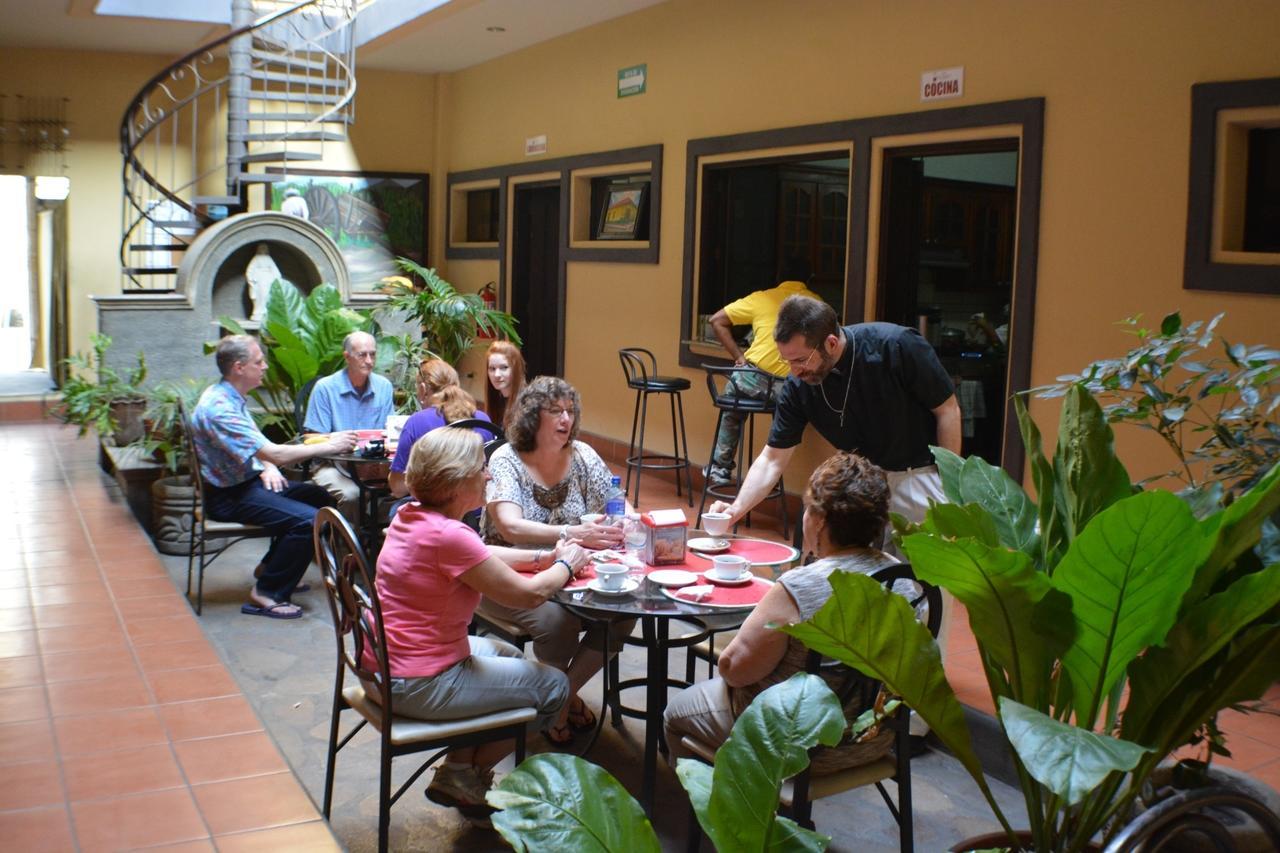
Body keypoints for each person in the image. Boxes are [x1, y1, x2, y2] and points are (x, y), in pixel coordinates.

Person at [375, 427, 588, 821]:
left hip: (390, 664)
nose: (489, 476)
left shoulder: (414, 514)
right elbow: (529, 596)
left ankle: (458, 767)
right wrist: (566, 565)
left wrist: (543, 556)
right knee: (555, 687)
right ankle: (468, 775)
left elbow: (478, 555)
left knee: (506, 652)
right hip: (421, 682)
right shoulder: (448, 535)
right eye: (481, 469)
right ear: (457, 483)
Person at [665, 452, 912, 769]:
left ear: (820, 520)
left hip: (793, 744)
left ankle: (725, 811)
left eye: (808, 507)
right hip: (872, 737)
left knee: (674, 715)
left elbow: (734, 670)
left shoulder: (801, 586)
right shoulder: (903, 580)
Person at [709, 295, 960, 548]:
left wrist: (948, 486)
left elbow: (947, 410)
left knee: (913, 578)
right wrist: (736, 509)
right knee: (849, 567)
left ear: (830, 343)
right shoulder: (798, 386)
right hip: (863, 482)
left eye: (800, 360)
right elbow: (773, 458)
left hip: (917, 474)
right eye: (787, 360)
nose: (794, 371)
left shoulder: (895, 345)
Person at [478, 376, 634, 745]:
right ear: (533, 416)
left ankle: (558, 700)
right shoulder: (506, 459)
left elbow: (621, 504)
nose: (566, 419)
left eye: (570, 411)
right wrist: (573, 535)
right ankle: (559, 701)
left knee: (623, 612)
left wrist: (620, 524)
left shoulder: (582, 455)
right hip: (506, 572)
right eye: (555, 411)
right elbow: (510, 526)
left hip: (573, 574)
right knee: (557, 622)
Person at [191, 335, 357, 619]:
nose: (265, 367)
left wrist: (267, 465)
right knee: (308, 521)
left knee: (318, 497)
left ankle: (271, 567)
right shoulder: (220, 409)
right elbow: (275, 453)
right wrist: (331, 445)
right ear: (239, 367)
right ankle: (267, 592)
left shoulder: (228, 395)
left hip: (245, 482)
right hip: (229, 496)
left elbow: (254, 447)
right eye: (259, 362)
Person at [704, 258, 824, 486]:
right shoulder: (816, 303)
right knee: (783, 418)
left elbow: (717, 320)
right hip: (790, 386)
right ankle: (770, 476)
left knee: (731, 408)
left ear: (779, 278)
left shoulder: (761, 298)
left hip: (752, 379)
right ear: (809, 280)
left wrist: (739, 357)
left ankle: (720, 467)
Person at [303, 331, 394, 520]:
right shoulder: (326, 388)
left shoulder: (383, 386)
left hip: (373, 465)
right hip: (331, 465)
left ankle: (375, 545)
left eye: (373, 354)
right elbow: (311, 439)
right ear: (347, 357)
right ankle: (346, 548)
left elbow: (390, 432)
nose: (369, 361)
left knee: (406, 488)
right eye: (362, 355)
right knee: (354, 495)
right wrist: (337, 441)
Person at [388, 358, 492, 498]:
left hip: (434, 512)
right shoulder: (483, 419)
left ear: (423, 389)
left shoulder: (417, 422)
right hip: (477, 511)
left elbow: (398, 488)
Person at [484, 340, 526, 431]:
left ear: (515, 369)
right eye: (492, 369)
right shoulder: (498, 399)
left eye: (504, 368)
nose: (497, 375)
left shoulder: (527, 403)